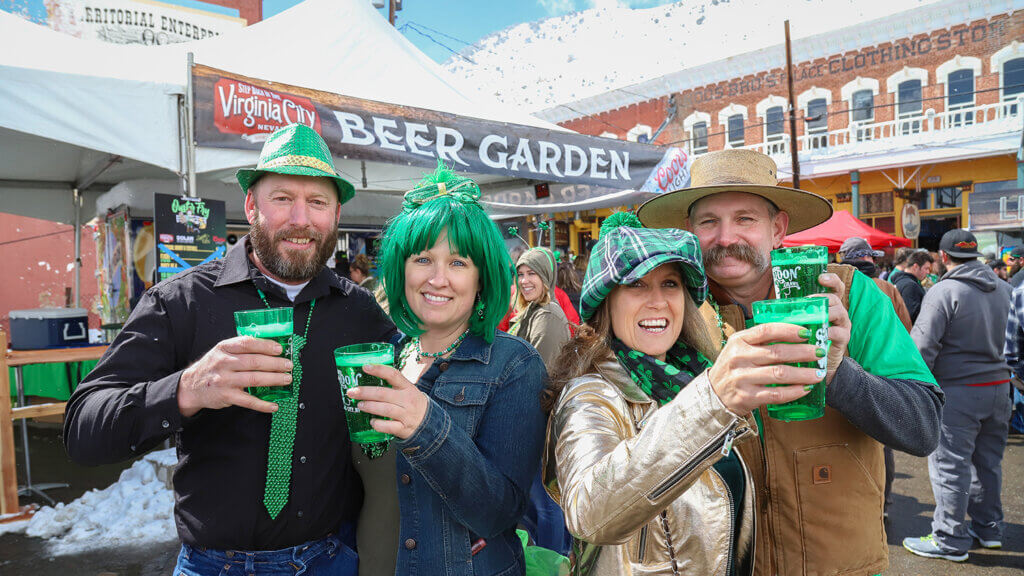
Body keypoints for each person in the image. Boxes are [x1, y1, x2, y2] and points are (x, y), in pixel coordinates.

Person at [63, 124, 397, 575]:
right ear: (251, 206)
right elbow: (84, 430)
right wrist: (186, 388)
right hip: (215, 565)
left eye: (317, 202)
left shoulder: (358, 309)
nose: (301, 219)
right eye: (282, 198)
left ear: (336, 214)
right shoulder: (181, 301)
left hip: (330, 560)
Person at [635, 148, 943, 576]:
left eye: (745, 219)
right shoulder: (672, 314)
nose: (726, 238)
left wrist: (838, 373)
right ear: (690, 231)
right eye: (709, 222)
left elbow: (923, 427)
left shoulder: (849, 295)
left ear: (777, 229)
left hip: (841, 566)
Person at [545, 212, 829, 575]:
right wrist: (712, 400)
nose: (658, 301)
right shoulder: (590, 394)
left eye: (670, 284)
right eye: (636, 285)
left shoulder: (692, 376)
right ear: (606, 301)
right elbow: (590, 513)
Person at [345, 163, 548, 576]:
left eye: (458, 263)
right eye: (423, 258)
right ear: (402, 269)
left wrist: (426, 426)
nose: (437, 279)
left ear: (481, 278)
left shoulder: (514, 365)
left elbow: (500, 512)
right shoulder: (387, 357)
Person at [903, 230, 1013, 562]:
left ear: (944, 257)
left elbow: (921, 350)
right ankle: (989, 529)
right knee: (988, 464)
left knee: (950, 466)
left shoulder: (943, 291)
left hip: (958, 393)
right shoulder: (1007, 290)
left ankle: (950, 538)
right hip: (999, 390)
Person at [838, 236, 913, 520]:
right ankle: (883, 502)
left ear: (844, 256)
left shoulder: (835, 285)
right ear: (870, 257)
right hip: (880, 377)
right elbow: (905, 331)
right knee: (881, 445)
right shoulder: (888, 288)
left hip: (838, 377)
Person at [508, 247, 572, 368]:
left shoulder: (547, 315)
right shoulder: (534, 309)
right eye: (520, 274)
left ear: (545, 276)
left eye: (531, 273)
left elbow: (539, 374)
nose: (523, 281)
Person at [889, 250, 933, 323]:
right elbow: (912, 316)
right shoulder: (910, 286)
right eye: (926, 268)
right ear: (915, 266)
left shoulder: (901, 281)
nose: (928, 272)